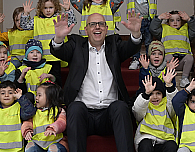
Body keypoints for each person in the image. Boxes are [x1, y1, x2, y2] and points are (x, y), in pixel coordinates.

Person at [49, 11, 143, 152]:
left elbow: (130, 47)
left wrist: (136, 34)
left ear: (106, 28)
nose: (97, 27)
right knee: (74, 108)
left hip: (108, 116)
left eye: (101, 24)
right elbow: (60, 51)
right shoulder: (76, 44)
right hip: (83, 115)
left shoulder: (114, 44)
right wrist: (59, 38)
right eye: (92, 24)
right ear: (86, 29)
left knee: (121, 107)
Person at [19, 0, 76, 85]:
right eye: (45, 8)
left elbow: (72, 22)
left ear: (56, 7)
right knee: (42, 81)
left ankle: (57, 98)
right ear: (41, 8)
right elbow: (24, 26)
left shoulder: (59, 18)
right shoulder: (36, 20)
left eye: (51, 7)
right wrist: (25, 14)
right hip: (41, 57)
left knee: (56, 80)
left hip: (56, 56)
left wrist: (68, 10)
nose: (48, 10)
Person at [125, 0, 166, 70]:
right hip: (136, 21)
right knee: (136, 41)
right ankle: (135, 60)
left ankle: (149, 61)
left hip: (148, 20)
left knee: (148, 42)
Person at [150, 11, 195, 87]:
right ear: (168, 22)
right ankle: (168, 77)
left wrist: (189, 19)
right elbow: (153, 28)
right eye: (172, 20)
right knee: (168, 57)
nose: (175, 22)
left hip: (182, 61)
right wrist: (159, 18)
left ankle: (184, 79)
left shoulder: (185, 29)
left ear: (182, 21)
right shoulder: (164, 29)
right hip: (169, 62)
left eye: (178, 20)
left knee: (190, 58)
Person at [132, 75, 179, 152]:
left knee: (172, 146)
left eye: (158, 93)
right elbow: (137, 110)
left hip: (166, 139)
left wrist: (170, 86)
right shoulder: (145, 105)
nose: (154, 97)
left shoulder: (166, 104)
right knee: (145, 145)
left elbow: (173, 104)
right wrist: (146, 94)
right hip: (147, 137)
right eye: (151, 94)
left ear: (163, 94)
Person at [22, 82, 68, 152]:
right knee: (30, 147)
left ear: (50, 98)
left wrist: (53, 128)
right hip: (38, 142)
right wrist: (27, 130)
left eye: (39, 95)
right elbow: (27, 122)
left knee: (54, 149)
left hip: (55, 141)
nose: (36, 98)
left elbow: (61, 122)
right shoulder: (33, 111)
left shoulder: (58, 110)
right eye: (36, 95)